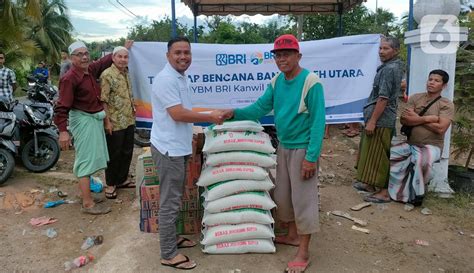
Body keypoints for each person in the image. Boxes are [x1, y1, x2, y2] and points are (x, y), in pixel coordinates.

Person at [223, 34, 326, 273]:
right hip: (284, 146)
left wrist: (311, 157)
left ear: (298, 56)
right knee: (282, 195)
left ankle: (304, 250)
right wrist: (233, 113)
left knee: (303, 199)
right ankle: (291, 235)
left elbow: (319, 123)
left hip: (303, 148)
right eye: (278, 55)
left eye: (287, 54)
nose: (282, 59)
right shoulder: (277, 81)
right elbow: (260, 107)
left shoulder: (311, 82)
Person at [151, 37, 225, 270]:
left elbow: (184, 111)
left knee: (175, 197)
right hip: (169, 149)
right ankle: (168, 254)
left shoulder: (180, 77)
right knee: (170, 201)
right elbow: (178, 114)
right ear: (168, 56)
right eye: (178, 53)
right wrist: (210, 117)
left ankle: (171, 240)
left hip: (177, 145)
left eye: (187, 52)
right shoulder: (165, 79)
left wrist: (192, 133)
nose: (183, 57)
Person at [54, 40, 133, 215]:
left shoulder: (89, 70)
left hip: (93, 119)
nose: (84, 57)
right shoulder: (69, 78)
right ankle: (88, 204)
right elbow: (61, 107)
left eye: (86, 53)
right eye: (79, 54)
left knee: (93, 159)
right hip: (83, 120)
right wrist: (63, 131)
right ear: (71, 58)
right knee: (85, 161)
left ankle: (87, 195)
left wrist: (125, 48)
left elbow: (104, 61)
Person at [388, 70, 454, 205]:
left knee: (421, 160)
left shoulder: (446, 104)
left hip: (432, 146)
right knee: (391, 154)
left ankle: (418, 194)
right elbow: (404, 120)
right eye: (430, 79)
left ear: (444, 85)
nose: (432, 82)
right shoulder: (415, 98)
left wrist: (417, 118)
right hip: (411, 143)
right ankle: (399, 193)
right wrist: (429, 119)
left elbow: (441, 128)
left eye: (437, 81)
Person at [352, 37, 405, 203]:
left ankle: (383, 191)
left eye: (386, 48)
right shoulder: (391, 67)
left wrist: (373, 121)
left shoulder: (390, 69)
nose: (381, 51)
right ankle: (369, 184)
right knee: (370, 152)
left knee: (379, 156)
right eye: (380, 48)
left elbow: (383, 98)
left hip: (382, 120)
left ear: (395, 51)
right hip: (379, 118)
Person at [99, 46, 136, 199]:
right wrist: (107, 122)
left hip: (128, 119)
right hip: (114, 122)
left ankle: (122, 179)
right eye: (119, 57)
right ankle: (111, 184)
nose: (123, 59)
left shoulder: (126, 73)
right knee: (114, 154)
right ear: (113, 58)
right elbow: (103, 100)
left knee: (127, 152)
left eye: (125, 57)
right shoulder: (107, 75)